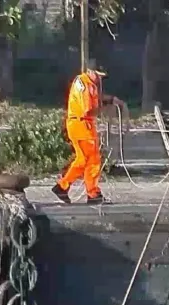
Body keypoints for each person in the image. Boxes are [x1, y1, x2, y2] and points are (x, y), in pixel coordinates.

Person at [51, 61, 125, 205]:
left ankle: (65, 187)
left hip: (81, 124)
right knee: (91, 159)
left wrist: (110, 99)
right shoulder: (85, 85)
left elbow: (95, 99)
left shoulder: (85, 83)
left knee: (85, 159)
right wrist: (106, 108)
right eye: (98, 75)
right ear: (91, 71)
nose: (100, 79)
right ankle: (90, 193)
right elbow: (88, 109)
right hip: (81, 124)